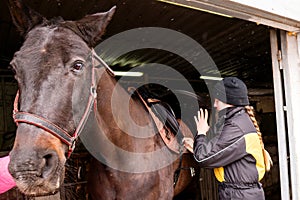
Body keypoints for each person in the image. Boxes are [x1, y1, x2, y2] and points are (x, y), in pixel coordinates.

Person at [184, 77, 272, 200]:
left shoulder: (236, 127)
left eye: (217, 100)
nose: (214, 104)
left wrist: (201, 133)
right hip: (238, 194)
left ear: (227, 101)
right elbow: (220, 152)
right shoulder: (238, 122)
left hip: (240, 196)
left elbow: (203, 158)